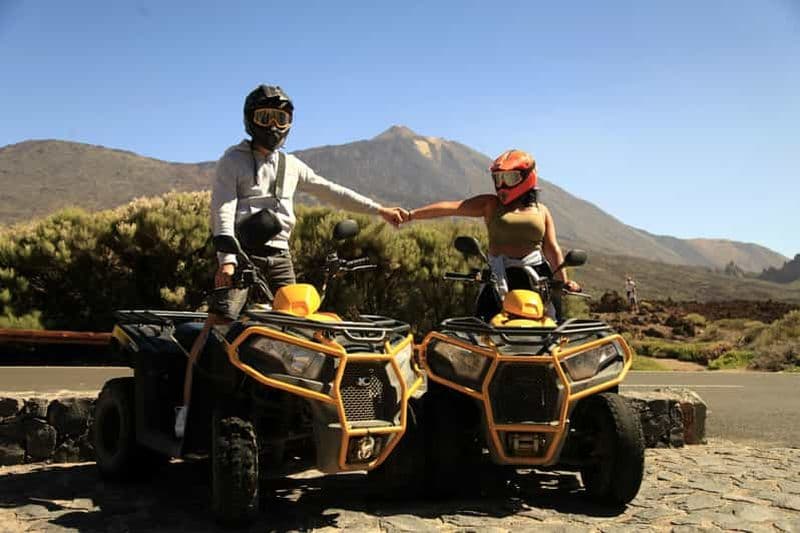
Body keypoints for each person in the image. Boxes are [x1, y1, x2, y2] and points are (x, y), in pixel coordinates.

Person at [175, 84, 408, 437]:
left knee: (298, 332)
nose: (273, 125)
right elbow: (222, 209)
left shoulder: (292, 165)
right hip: (241, 253)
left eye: (281, 118)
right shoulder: (233, 160)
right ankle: (191, 412)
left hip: (280, 256)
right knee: (218, 330)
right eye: (265, 117)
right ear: (250, 119)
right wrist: (227, 258)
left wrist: (379, 211)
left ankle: (291, 413)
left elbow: (332, 192)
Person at [404, 148, 580, 320]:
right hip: (498, 276)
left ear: (527, 177)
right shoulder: (491, 204)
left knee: (550, 327)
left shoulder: (542, 211)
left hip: (537, 277)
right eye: (498, 178)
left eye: (510, 178)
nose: (502, 184)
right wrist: (410, 215)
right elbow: (452, 207)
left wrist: (563, 283)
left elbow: (551, 249)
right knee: (486, 329)